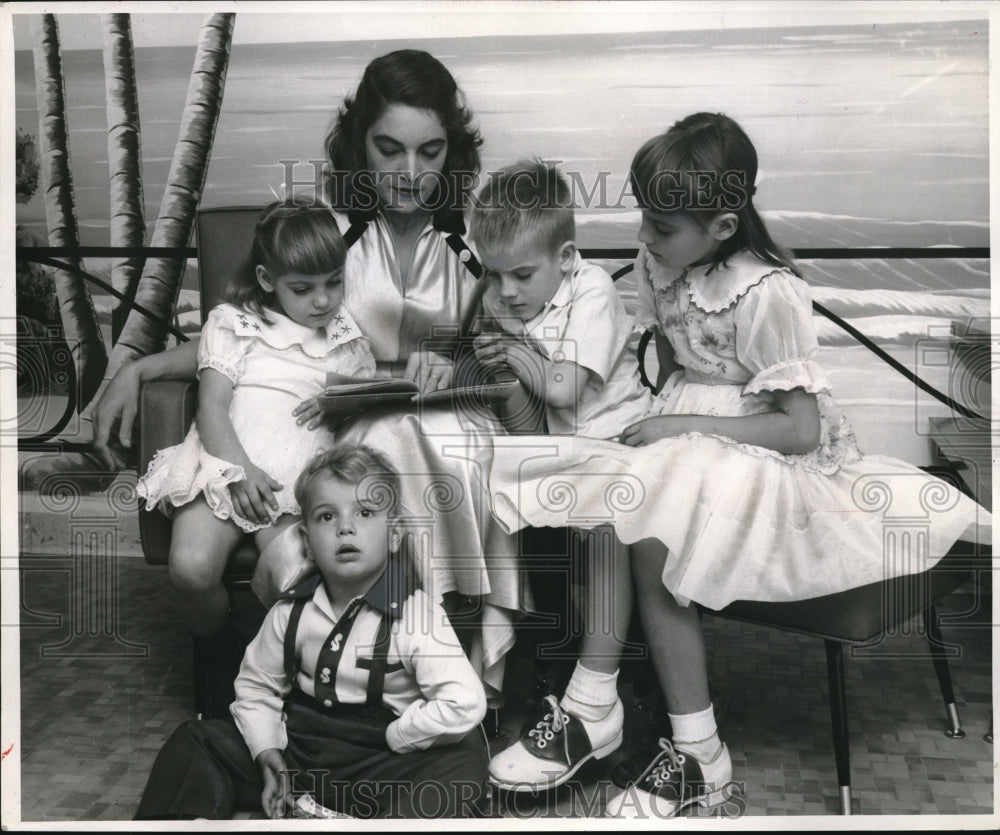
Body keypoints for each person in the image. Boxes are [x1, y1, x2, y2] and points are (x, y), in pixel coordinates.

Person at [484, 113, 990, 817]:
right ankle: (592, 705)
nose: (648, 241)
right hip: (688, 433)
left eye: (663, 228)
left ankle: (701, 759)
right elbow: (665, 347)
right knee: (602, 499)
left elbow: (800, 427)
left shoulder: (768, 292)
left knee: (651, 536)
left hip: (769, 454)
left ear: (721, 227)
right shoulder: (668, 257)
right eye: (648, 223)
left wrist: (681, 421)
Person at [91, 50, 521, 701]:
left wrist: (469, 359)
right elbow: (252, 333)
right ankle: (373, 670)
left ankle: (457, 668)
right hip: (352, 428)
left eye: (431, 152)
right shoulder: (332, 235)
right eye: (389, 149)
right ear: (359, 145)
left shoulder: (469, 243)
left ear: (451, 150)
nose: (411, 174)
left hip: (444, 421)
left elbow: (504, 350)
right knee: (383, 453)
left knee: (451, 448)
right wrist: (143, 364)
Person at [133, 444, 490, 820]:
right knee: (195, 740)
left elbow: (464, 703)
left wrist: (399, 736)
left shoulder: (416, 616)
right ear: (306, 542)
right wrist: (267, 750)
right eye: (326, 517)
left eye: (365, 513)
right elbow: (257, 686)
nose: (345, 527)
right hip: (301, 761)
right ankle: (186, 821)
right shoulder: (290, 612)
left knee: (462, 768)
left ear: (395, 534)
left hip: (383, 766)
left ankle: (380, 821)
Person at [136, 199, 376, 718]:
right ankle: (219, 648)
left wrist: (348, 400)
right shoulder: (233, 323)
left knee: (294, 576)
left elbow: (357, 419)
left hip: (294, 476)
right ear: (267, 279)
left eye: (334, 283)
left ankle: (283, 671)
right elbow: (213, 405)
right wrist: (237, 469)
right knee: (191, 567)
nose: (322, 301)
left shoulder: (346, 340)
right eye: (303, 288)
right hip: (225, 461)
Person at [467, 159, 651, 791]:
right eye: (493, 274)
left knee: (592, 526)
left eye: (522, 274)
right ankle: (493, 678)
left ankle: (595, 694)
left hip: (615, 441)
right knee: (479, 487)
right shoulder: (504, 296)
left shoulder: (592, 288)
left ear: (567, 256)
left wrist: (515, 350)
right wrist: (498, 361)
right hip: (560, 446)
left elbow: (568, 389)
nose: (506, 291)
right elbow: (525, 404)